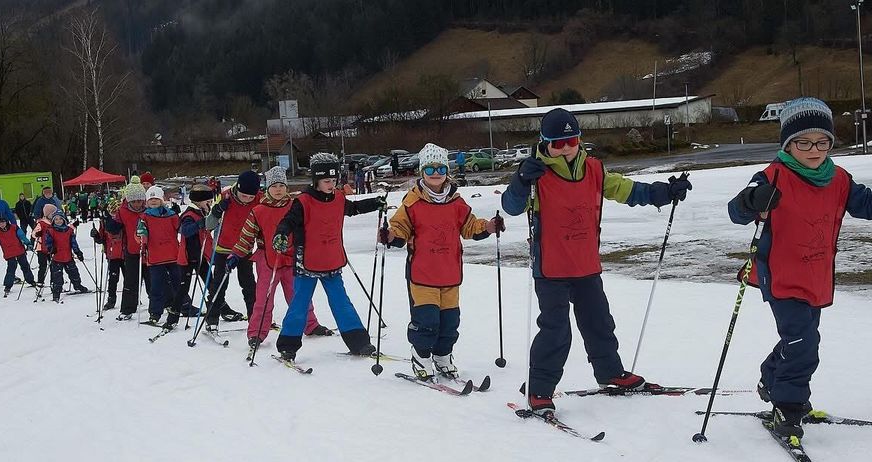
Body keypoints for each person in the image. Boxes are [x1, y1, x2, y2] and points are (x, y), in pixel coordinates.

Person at [726, 97, 872, 441]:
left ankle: (771, 378)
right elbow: (737, 210)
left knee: (801, 339)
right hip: (780, 274)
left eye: (822, 142)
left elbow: (868, 204)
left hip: (817, 274)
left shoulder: (838, 177)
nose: (814, 150)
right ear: (788, 144)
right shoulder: (770, 176)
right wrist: (753, 201)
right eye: (803, 143)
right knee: (804, 343)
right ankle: (788, 408)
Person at [501, 108, 692, 414]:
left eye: (571, 140)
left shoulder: (595, 170)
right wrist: (521, 180)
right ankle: (538, 389)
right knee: (555, 330)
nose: (565, 148)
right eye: (557, 143)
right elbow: (510, 206)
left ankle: (610, 374)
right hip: (551, 269)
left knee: (599, 322)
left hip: (586, 265)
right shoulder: (535, 174)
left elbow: (628, 190)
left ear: (579, 140)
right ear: (545, 143)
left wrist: (664, 192)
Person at [380, 143, 504, 380]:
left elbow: (470, 227)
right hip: (422, 275)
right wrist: (391, 235)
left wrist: (489, 226)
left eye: (440, 168)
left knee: (449, 323)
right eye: (429, 169)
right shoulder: (412, 203)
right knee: (426, 321)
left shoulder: (457, 203)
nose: (435, 173)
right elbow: (400, 228)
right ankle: (422, 356)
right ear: (421, 172)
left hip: (449, 275)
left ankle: (443, 356)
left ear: (447, 171)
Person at [271, 153, 385, 362]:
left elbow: (354, 208)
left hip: (331, 260)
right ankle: (288, 346)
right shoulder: (303, 202)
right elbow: (287, 222)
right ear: (316, 181)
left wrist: (375, 203)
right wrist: (280, 234)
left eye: (334, 181)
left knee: (341, 303)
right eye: (326, 181)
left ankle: (359, 342)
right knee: (300, 305)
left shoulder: (339, 199)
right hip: (307, 262)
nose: (331, 185)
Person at [231, 166, 333, 349]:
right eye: (274, 186)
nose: (278, 189)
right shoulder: (258, 210)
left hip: (292, 258)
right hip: (267, 260)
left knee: (299, 294)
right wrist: (236, 255)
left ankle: (310, 324)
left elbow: (308, 227)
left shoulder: (295, 205)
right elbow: (246, 238)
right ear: (267, 188)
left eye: (281, 185)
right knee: (264, 297)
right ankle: (257, 332)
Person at [202, 170, 262, 330]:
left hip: (244, 249)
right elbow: (209, 225)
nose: (247, 200)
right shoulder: (225, 196)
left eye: (251, 197)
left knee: (249, 285)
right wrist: (217, 210)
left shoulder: (259, 199)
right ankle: (211, 319)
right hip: (223, 249)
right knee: (219, 285)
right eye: (244, 196)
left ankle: (254, 319)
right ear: (238, 189)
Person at [135, 186, 181, 326]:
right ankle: (155, 313)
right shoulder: (144, 217)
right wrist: (141, 235)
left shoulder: (171, 215)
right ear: (147, 202)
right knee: (156, 286)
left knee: (177, 283)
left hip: (173, 254)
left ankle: (179, 308)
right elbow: (139, 237)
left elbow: (180, 228)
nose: (154, 201)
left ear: (162, 200)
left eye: (156, 198)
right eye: (151, 199)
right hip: (155, 257)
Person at [171, 185, 214, 325]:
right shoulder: (189, 214)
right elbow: (186, 231)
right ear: (198, 201)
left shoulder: (202, 213)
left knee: (212, 284)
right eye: (208, 200)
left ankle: (219, 309)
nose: (210, 203)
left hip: (200, 257)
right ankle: (173, 317)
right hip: (188, 258)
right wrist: (201, 223)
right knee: (183, 288)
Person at [105, 183, 149, 320]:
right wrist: (110, 218)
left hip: (149, 251)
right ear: (128, 200)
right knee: (130, 281)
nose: (137, 204)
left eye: (139, 201)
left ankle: (159, 306)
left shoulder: (148, 210)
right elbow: (113, 229)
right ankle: (127, 309)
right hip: (131, 251)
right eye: (134, 201)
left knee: (153, 280)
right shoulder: (122, 211)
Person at [44, 210, 89, 302]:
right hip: (57, 258)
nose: (58, 221)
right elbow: (48, 242)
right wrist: (51, 248)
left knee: (74, 272)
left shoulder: (69, 231)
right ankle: (56, 292)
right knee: (57, 276)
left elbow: (73, 243)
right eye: (56, 219)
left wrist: (78, 252)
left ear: (64, 220)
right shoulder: (51, 231)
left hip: (68, 257)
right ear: (53, 221)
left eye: (60, 219)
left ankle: (77, 285)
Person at [91, 196, 125, 311]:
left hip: (125, 253)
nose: (114, 214)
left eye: (116, 212)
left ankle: (132, 297)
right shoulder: (105, 222)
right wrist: (95, 235)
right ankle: (111, 299)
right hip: (112, 254)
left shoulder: (124, 220)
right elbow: (101, 239)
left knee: (129, 278)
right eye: (112, 212)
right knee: (113, 278)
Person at [0, 214, 37, 296]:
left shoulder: (14, 228)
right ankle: (8, 285)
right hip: (9, 253)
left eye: (3, 222)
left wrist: (28, 243)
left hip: (19, 250)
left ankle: (31, 280)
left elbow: (22, 236)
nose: (1, 224)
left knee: (25, 266)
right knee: (11, 269)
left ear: (6, 222)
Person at [32, 204, 57, 288]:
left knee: (53, 265)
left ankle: (53, 281)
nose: (53, 215)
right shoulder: (41, 223)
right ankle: (40, 281)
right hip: (41, 248)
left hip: (51, 248)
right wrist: (37, 234)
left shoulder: (54, 223)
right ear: (47, 214)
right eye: (52, 213)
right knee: (42, 266)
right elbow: (33, 234)